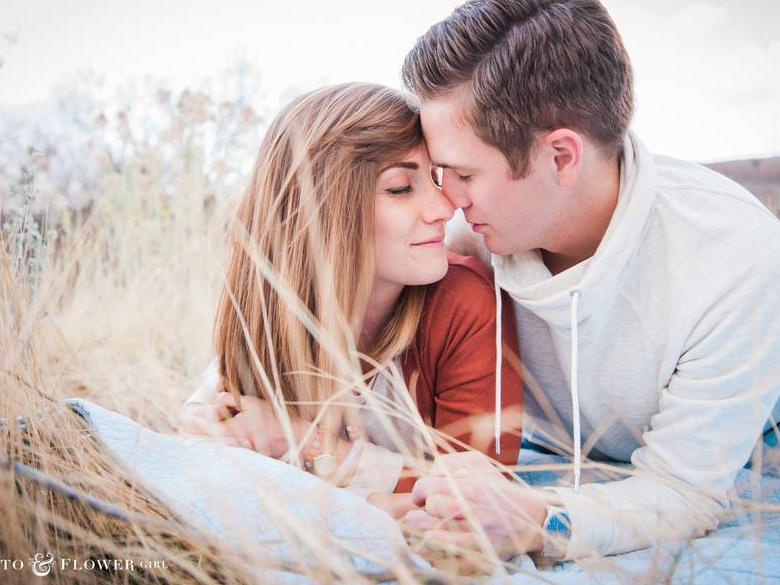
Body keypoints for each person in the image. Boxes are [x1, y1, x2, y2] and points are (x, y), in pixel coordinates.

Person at [399, 0, 780, 564]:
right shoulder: (469, 238)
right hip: (552, 448)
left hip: (739, 426)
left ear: (561, 156)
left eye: (463, 173)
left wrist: (543, 523)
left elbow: (684, 490)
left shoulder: (736, 258)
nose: (448, 200)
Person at [178, 82, 523, 519]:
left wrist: (302, 441)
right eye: (401, 188)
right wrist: (202, 421)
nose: (444, 207)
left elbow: (480, 500)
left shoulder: (464, 302)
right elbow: (209, 426)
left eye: (434, 179)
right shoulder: (271, 307)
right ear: (324, 209)